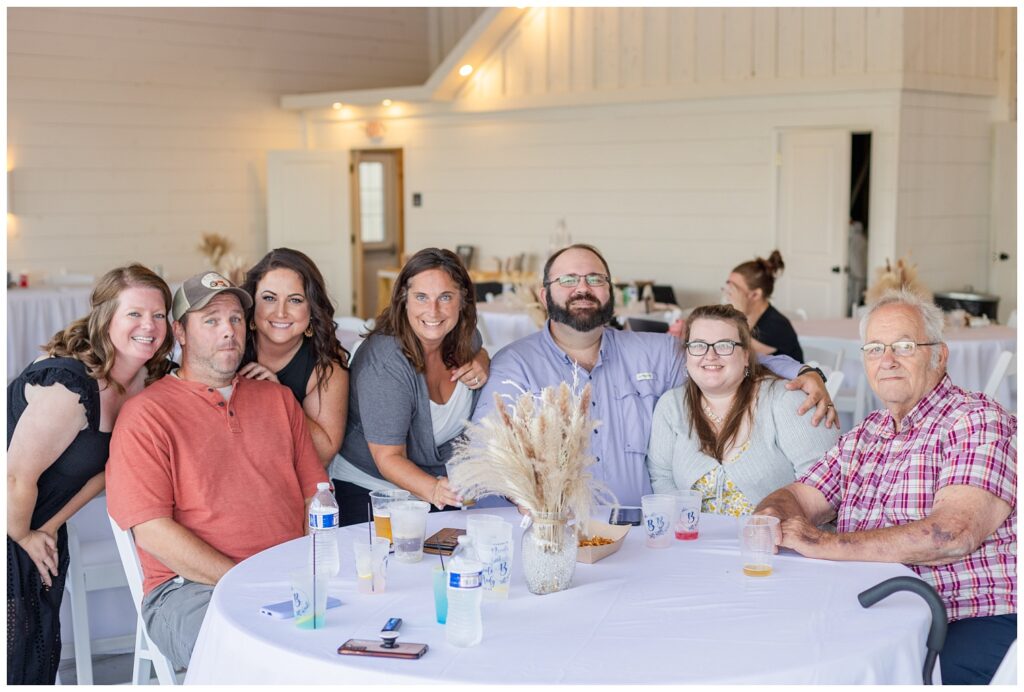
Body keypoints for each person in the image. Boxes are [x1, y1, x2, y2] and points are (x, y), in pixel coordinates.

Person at [754, 289, 1016, 685]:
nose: (887, 360)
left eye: (904, 346)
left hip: (966, 618)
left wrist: (824, 544)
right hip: (875, 614)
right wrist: (772, 516)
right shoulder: (866, 434)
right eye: (875, 348)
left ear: (939, 356)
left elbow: (951, 535)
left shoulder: (976, 421)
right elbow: (798, 496)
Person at [473, 243, 837, 507]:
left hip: (646, 539)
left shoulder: (652, 352)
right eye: (568, 279)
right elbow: (484, 458)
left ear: (610, 291)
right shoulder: (514, 365)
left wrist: (804, 371)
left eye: (595, 278)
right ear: (544, 294)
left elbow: (722, 358)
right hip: (555, 536)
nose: (582, 288)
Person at [106, 271, 327, 670]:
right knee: (261, 660)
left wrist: (312, 569)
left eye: (236, 319)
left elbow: (318, 498)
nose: (228, 330)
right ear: (180, 332)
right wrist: (246, 581)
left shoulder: (278, 400)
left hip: (289, 579)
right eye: (210, 320)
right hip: (191, 590)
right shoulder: (147, 415)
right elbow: (153, 531)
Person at [7, 264, 173, 685]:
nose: (149, 326)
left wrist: (47, 527)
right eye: (134, 314)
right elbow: (13, 477)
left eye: (158, 314)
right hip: (9, 515)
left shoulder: (146, 380)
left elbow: (109, 472)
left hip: (37, 521)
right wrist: (24, 536)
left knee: (33, 653)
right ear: (106, 319)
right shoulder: (70, 386)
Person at [329, 248, 490, 525]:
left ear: (462, 301)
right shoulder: (385, 361)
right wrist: (436, 490)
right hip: (372, 492)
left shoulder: (464, 340)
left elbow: (478, 348)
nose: (433, 310)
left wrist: (482, 359)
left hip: (436, 487)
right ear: (404, 300)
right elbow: (388, 458)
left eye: (445, 297)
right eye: (421, 297)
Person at [647, 305, 838, 514]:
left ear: (746, 355)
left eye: (724, 345)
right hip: (693, 541)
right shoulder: (671, 406)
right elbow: (661, 477)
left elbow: (827, 485)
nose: (710, 355)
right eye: (699, 345)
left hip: (776, 540)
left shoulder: (785, 400)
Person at [239, 248, 350, 465]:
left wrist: (279, 398)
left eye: (295, 300)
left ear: (312, 308)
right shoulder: (232, 345)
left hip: (292, 478)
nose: (281, 312)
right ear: (252, 304)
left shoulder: (326, 363)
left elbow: (324, 454)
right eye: (269, 298)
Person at [724, 250, 804, 362]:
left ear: (755, 294)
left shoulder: (776, 326)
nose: (728, 296)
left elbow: (736, 357)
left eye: (733, 290)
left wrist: (736, 312)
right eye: (727, 288)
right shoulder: (750, 320)